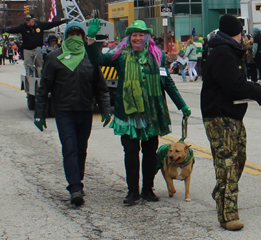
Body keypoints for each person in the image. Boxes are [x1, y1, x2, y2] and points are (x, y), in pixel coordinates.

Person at [85, 19, 192, 205]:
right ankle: (132, 191)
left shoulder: (157, 58)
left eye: (141, 34)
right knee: (131, 152)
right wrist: (92, 38)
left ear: (147, 37)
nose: (137, 38)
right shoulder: (120, 56)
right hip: (128, 114)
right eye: (134, 35)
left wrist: (181, 105)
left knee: (150, 154)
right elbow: (97, 59)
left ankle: (147, 189)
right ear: (129, 38)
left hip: (152, 114)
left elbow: (167, 83)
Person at [201, 14, 261, 231]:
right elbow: (235, 86)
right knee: (227, 165)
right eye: (242, 34)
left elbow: (241, 82)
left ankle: (222, 194)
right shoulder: (223, 53)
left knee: (238, 160)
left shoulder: (231, 53)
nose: (245, 38)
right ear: (235, 35)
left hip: (232, 117)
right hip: (219, 117)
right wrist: (259, 95)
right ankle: (228, 215)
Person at [34, 21, 111, 206]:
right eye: (71, 34)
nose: (75, 37)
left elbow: (101, 88)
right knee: (70, 148)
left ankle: (78, 181)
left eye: (78, 34)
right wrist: (39, 113)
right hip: (64, 112)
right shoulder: (54, 58)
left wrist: (106, 109)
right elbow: (43, 89)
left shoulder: (90, 57)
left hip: (85, 111)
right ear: (65, 36)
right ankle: (74, 187)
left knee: (81, 150)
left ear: (83, 37)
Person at [1, 13, 69, 52]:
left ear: (33, 20)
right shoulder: (23, 27)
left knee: (39, 65)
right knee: (28, 64)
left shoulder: (40, 25)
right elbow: (14, 29)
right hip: (27, 50)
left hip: (38, 49)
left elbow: (50, 24)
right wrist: (6, 30)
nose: (27, 21)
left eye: (28, 20)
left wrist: (62, 22)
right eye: (26, 20)